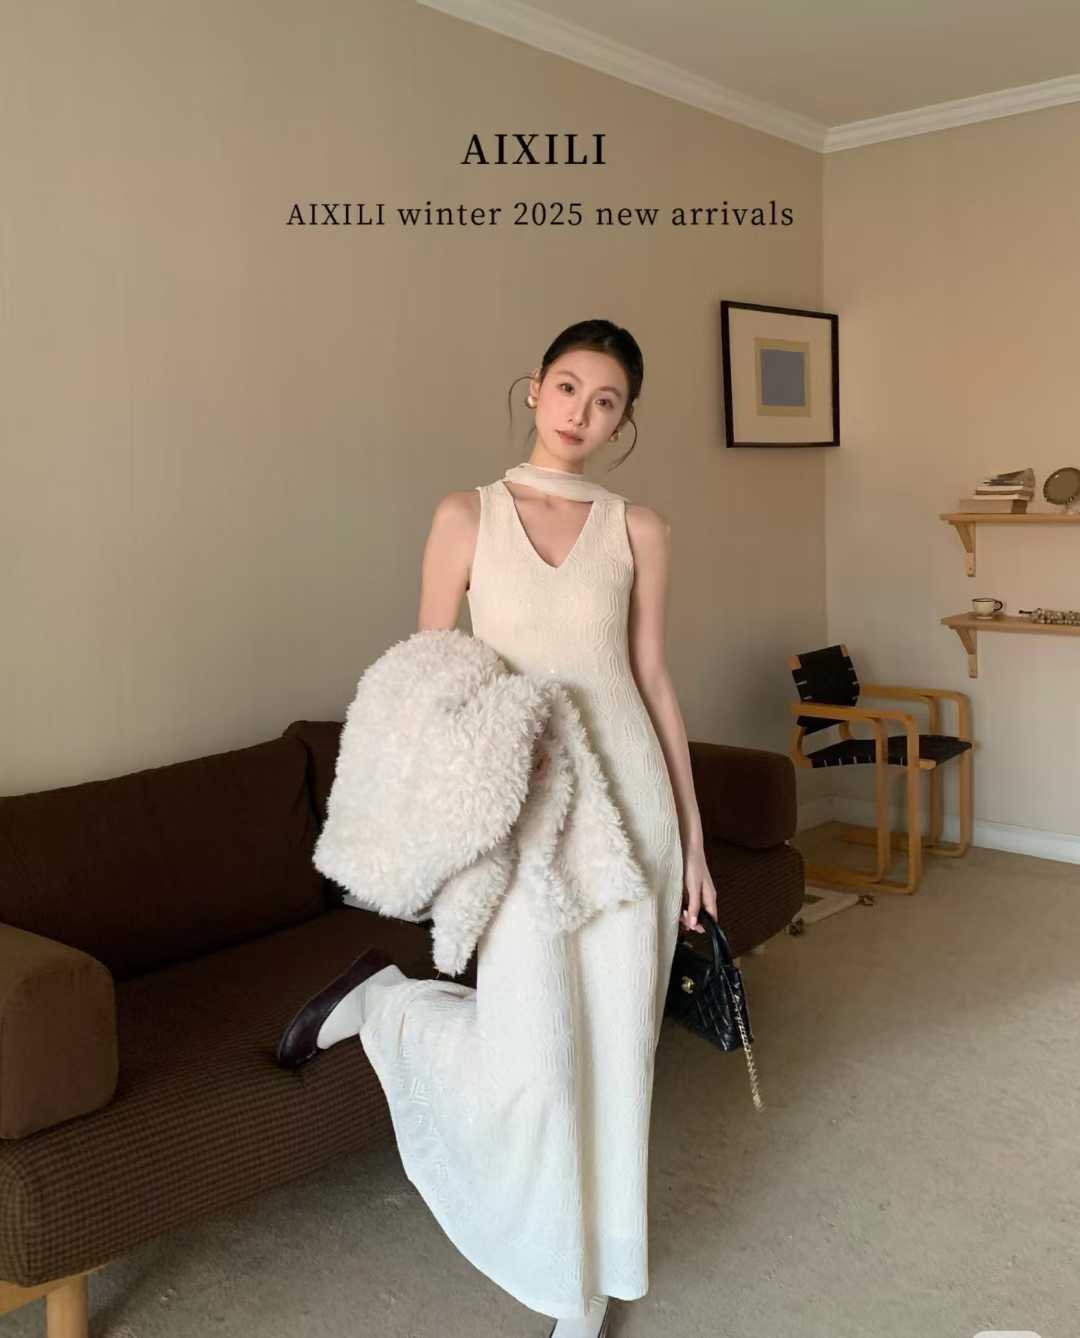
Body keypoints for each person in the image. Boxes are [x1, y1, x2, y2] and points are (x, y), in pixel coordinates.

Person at [277, 318, 719, 1337]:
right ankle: (388, 1005)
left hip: (634, 812)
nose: (580, 413)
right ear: (533, 388)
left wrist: (692, 841)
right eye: (567, 387)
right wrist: (443, 821)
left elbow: (653, 680)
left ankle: (585, 1284)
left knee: (623, 1054)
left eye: (606, 402)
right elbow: (429, 680)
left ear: (624, 421)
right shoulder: (465, 515)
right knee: (537, 1053)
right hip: (525, 813)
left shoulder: (640, 529)